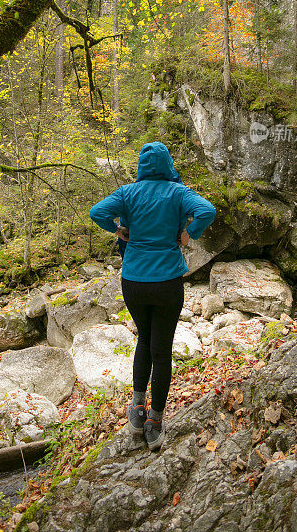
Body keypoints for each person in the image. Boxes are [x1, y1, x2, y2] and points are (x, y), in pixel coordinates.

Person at [89, 141, 216, 451]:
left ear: (142, 165)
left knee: (144, 339)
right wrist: (189, 233)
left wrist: (118, 229)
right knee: (162, 350)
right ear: (167, 164)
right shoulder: (178, 193)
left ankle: (136, 409)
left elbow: (97, 212)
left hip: (134, 281)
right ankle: (155, 422)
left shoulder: (127, 193)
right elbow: (207, 210)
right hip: (168, 281)